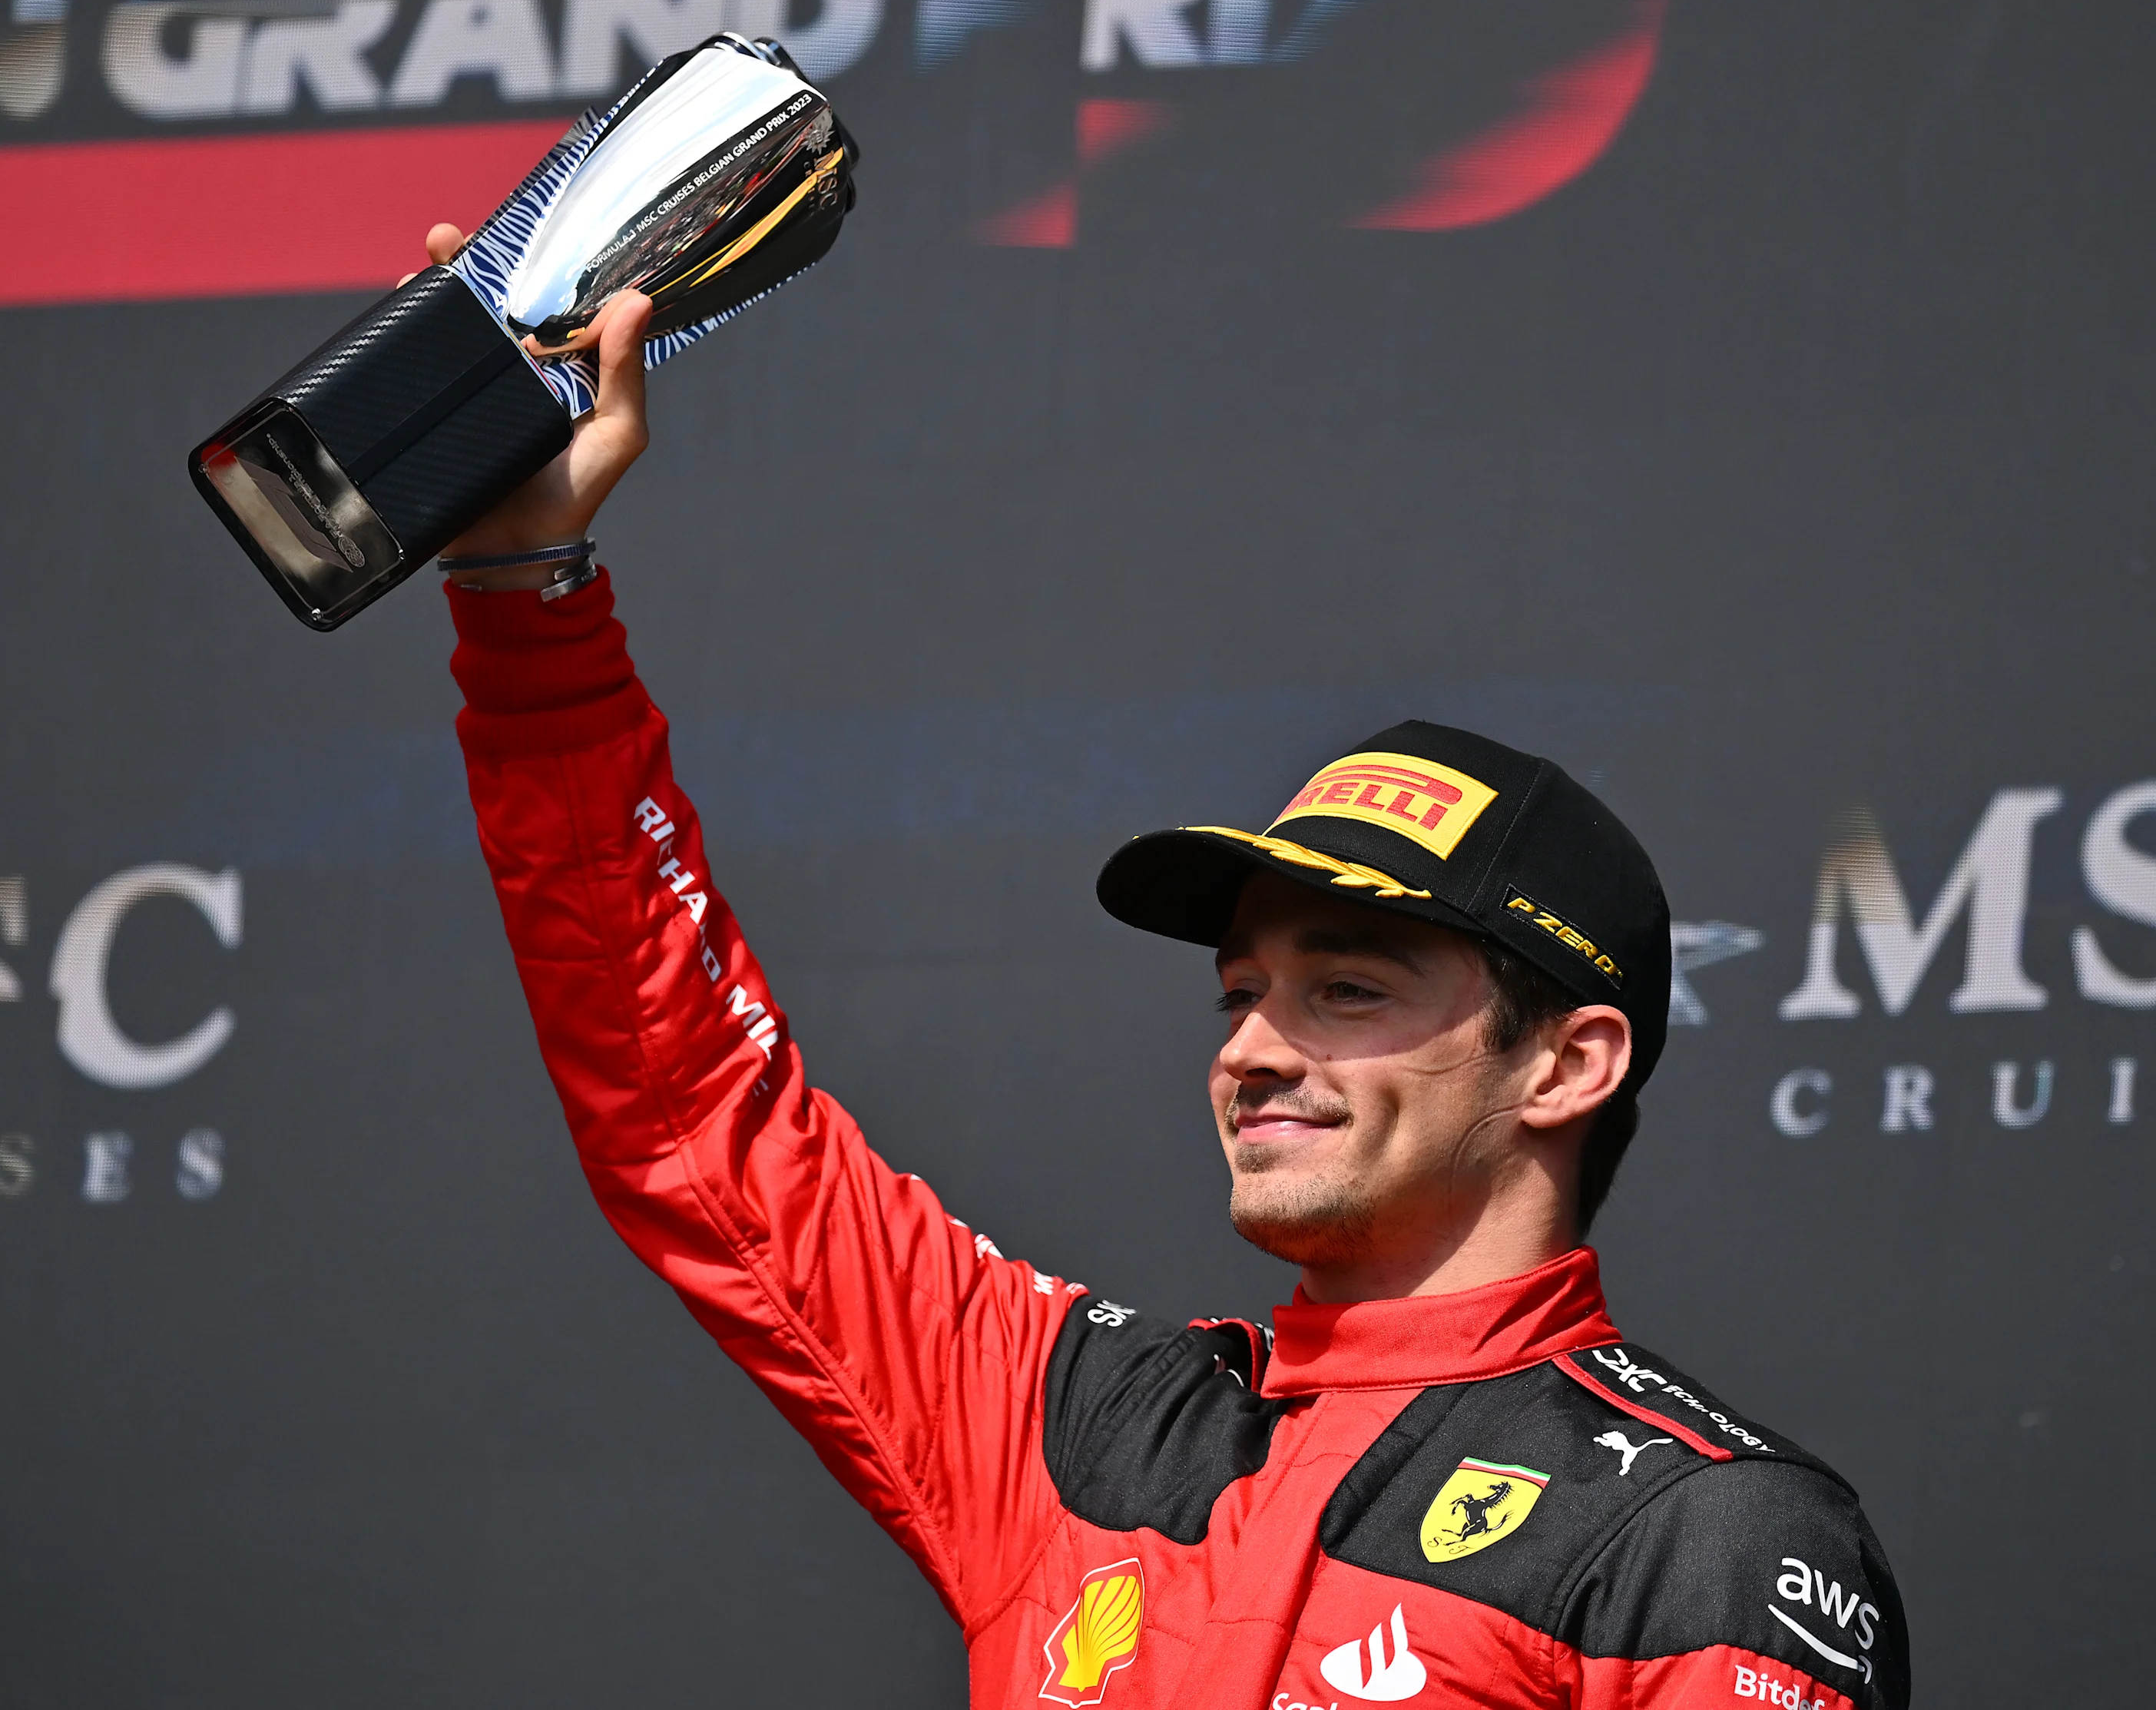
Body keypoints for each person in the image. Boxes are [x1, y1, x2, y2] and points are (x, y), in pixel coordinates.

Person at [427, 230, 1908, 1709]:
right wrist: (521, 588)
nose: (1253, 1047)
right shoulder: (1078, 1416)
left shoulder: (1708, 1533)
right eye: (1240, 990)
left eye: (1348, 989)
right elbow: (691, 1113)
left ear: (1567, 1063)